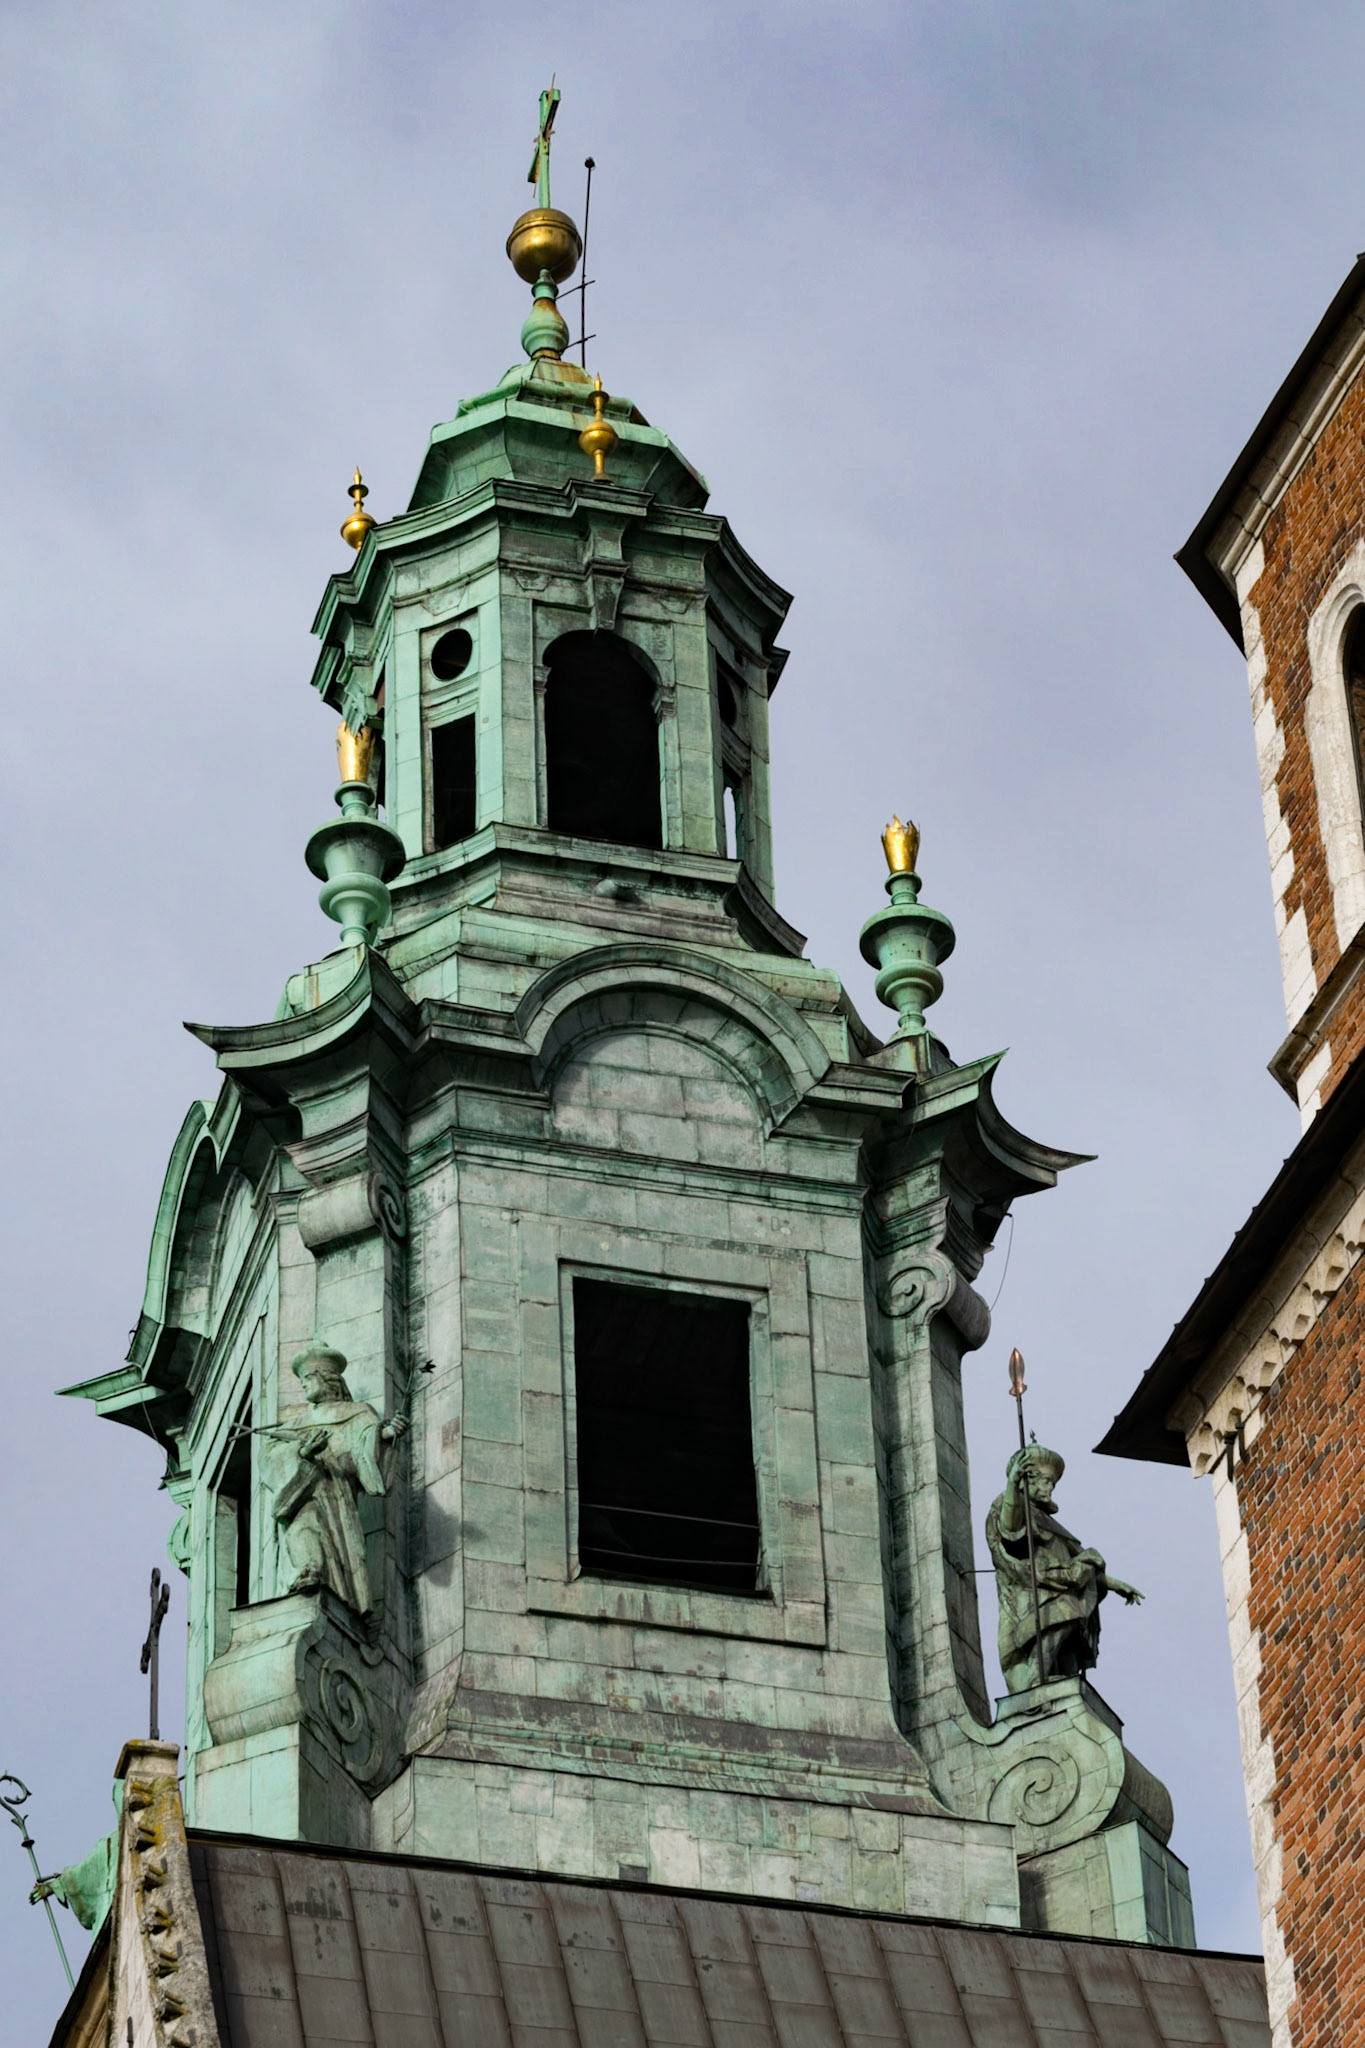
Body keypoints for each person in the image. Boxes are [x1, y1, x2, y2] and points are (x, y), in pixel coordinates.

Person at [985, 1442, 1142, 1693]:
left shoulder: (1050, 1522)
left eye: (1053, 1483)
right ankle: (1037, 1677)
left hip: (1060, 1584)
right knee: (1065, 1611)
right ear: (1028, 1479)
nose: (1050, 1488)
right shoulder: (1009, 1503)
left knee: (1071, 1626)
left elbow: (1077, 1565)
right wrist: (1013, 1486)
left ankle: (1061, 1679)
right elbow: (1009, 1530)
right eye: (1046, 1481)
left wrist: (1114, 1584)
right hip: (1032, 1593)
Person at [268, 1345, 408, 1617]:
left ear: (326, 1379)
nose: (304, 1385)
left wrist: (388, 1433)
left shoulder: (356, 1413)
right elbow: (271, 1456)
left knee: (329, 1543)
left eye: (308, 1378)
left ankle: (332, 1588)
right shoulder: (295, 1424)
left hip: (337, 1496)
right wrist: (303, 1453)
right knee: (301, 1527)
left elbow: (366, 1445)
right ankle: (309, 1570)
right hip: (303, 1491)